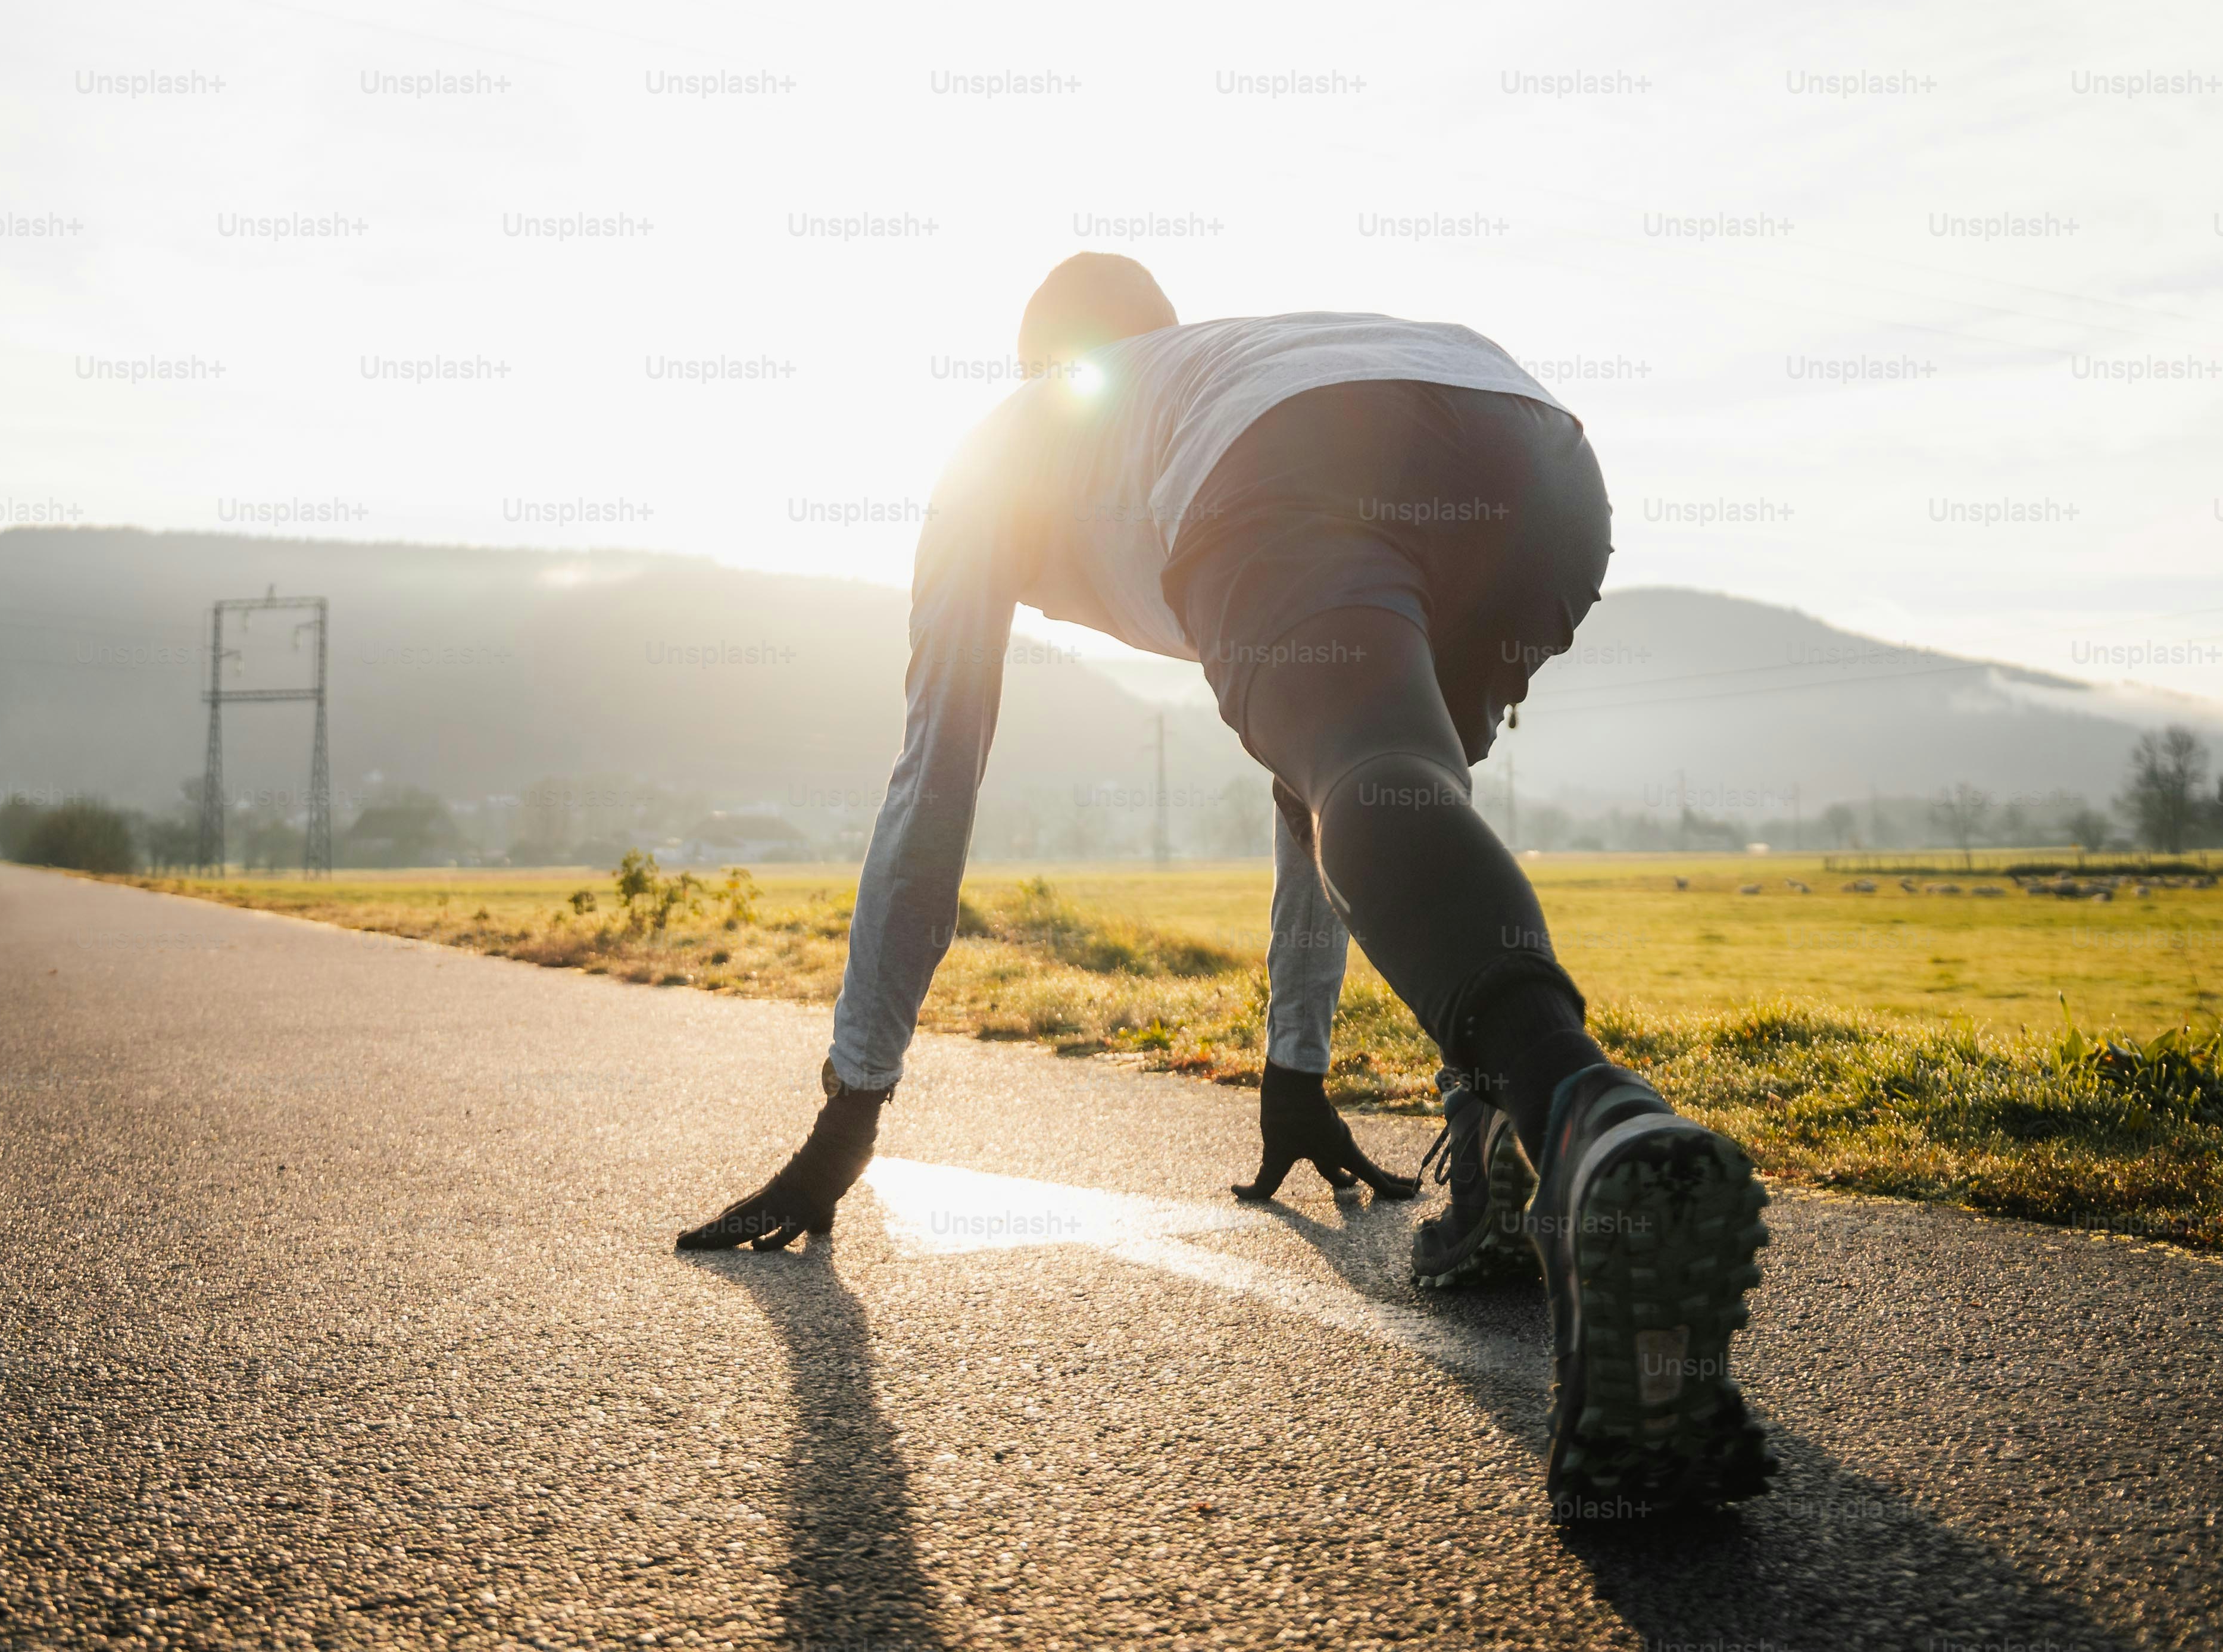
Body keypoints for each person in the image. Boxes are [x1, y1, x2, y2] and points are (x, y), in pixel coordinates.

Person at [677, 254, 1775, 1510]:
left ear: (1043, 370)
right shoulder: (1218, 363)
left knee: (1372, 768)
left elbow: (934, 779)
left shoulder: (1007, 444)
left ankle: (1581, 1113)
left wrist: (849, 1110)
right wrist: (1293, 1070)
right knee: (1393, 783)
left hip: (1303, 455)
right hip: (1532, 455)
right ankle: (1491, 1170)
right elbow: (1312, 797)